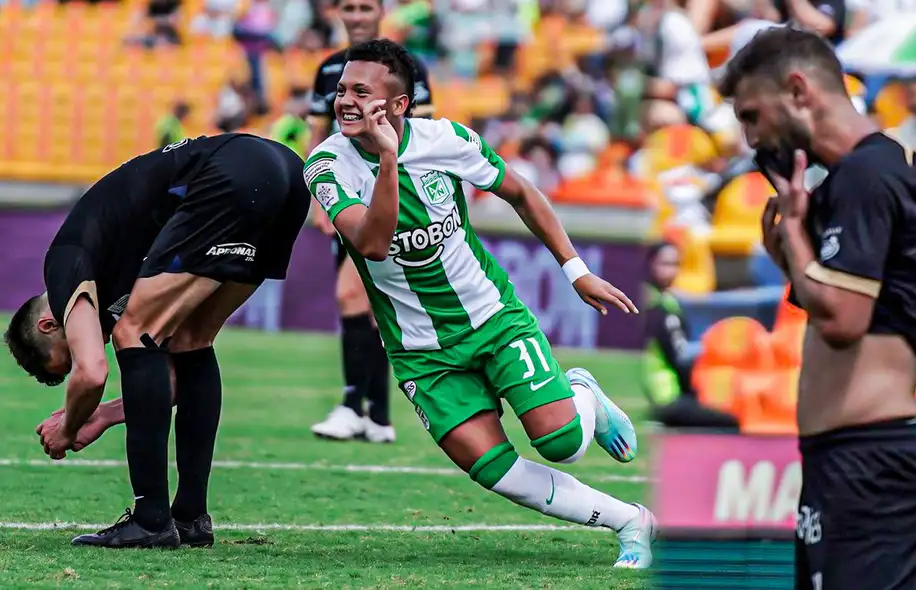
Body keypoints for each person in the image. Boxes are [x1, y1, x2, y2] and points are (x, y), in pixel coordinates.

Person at [306, 39, 655, 568]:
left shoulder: (447, 139)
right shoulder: (326, 163)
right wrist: (388, 161)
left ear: (400, 105)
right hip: (421, 352)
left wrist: (576, 271)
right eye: (341, 91)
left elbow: (522, 192)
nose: (345, 101)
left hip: (491, 318)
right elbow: (372, 242)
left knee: (562, 442)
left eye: (362, 91)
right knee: (493, 469)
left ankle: (583, 393)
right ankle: (631, 520)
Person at [719, 27, 916, 589]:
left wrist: (796, 234)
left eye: (752, 115)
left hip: (870, 467)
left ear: (799, 90)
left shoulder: (866, 175)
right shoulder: (885, 166)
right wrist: (791, 257)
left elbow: (844, 322)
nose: (750, 138)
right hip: (850, 463)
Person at [4, 134, 311, 549]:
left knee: (134, 332)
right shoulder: (116, 276)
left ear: (47, 324)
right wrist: (104, 416)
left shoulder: (64, 264)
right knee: (190, 341)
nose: (88, 344)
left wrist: (69, 426)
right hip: (287, 174)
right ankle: (190, 518)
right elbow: (167, 381)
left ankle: (150, 520)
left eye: (67, 355)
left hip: (234, 170)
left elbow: (92, 374)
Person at [307, 0, 434, 444]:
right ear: (337, 12)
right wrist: (318, 198)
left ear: (381, 11)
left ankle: (352, 405)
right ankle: (377, 413)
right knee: (371, 310)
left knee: (351, 297)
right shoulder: (327, 69)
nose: (357, 16)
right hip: (342, 195)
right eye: (350, 7)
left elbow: (420, 138)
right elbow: (317, 131)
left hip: (387, 197)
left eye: (366, 7)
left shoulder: (408, 67)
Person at [643, 241, 739, 431]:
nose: (672, 271)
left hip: (649, 396)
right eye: (665, 264)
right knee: (732, 422)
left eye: (676, 265)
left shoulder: (650, 300)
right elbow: (679, 360)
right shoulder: (662, 309)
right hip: (665, 398)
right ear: (649, 265)